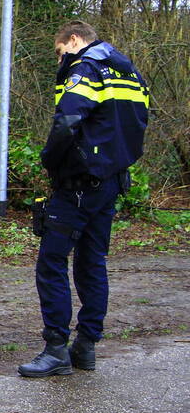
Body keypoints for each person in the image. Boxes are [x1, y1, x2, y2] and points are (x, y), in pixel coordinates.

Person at [18, 21, 149, 378]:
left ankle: (56, 348)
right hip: (110, 181)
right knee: (92, 262)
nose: (61, 60)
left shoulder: (85, 67)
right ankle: (86, 346)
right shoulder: (130, 72)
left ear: (74, 40)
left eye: (60, 52)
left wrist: (50, 160)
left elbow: (67, 121)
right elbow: (137, 124)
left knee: (52, 262)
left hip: (78, 182)